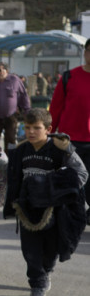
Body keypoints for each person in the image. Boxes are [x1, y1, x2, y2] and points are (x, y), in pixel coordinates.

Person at [3, 108, 88, 296]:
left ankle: (47, 271)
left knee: (50, 249)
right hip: (27, 209)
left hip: (53, 210)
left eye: (36, 128)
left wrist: (57, 189)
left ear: (48, 129)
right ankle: (37, 285)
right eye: (28, 127)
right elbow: (10, 172)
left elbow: (81, 174)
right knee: (30, 250)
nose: (31, 132)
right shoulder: (21, 150)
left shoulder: (61, 149)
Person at [49, 39, 90, 224]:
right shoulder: (69, 77)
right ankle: (72, 215)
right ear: (85, 52)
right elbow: (56, 108)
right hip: (69, 140)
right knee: (71, 181)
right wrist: (48, 134)